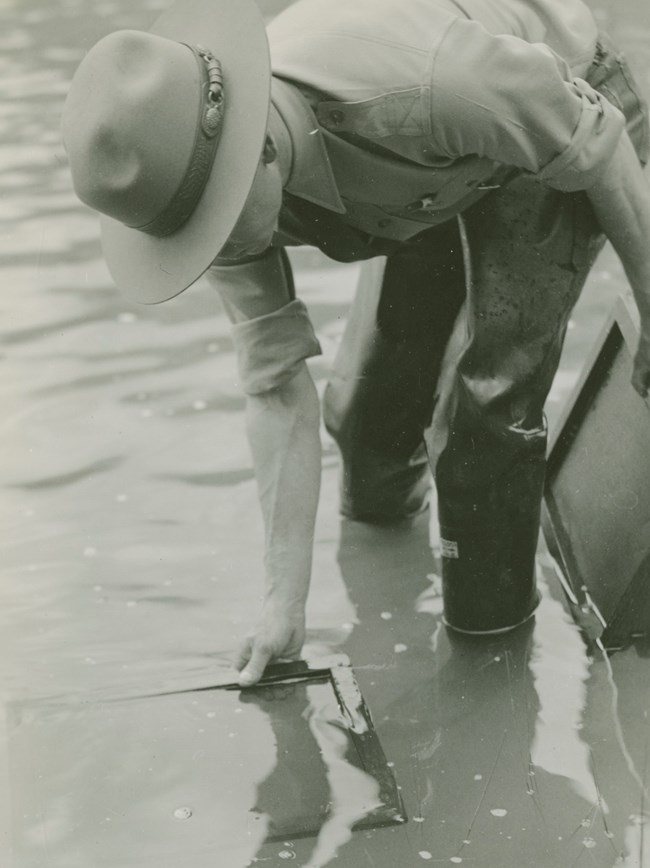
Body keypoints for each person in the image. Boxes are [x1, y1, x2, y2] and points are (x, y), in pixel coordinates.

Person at [62, 0, 650, 687]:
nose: (211, 254)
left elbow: (601, 150)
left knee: (482, 430)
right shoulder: (189, 174)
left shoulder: (432, 86)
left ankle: (494, 676)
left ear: (263, 152)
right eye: (189, 238)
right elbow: (276, 386)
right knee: (368, 424)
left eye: (214, 227)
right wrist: (284, 606)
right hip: (423, 173)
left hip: (553, 119)